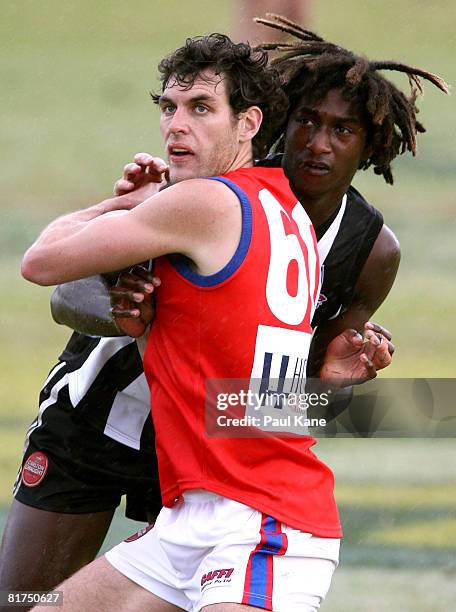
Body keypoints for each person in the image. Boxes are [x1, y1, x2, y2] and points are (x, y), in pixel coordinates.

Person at [22, 27, 448, 611]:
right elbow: (64, 293)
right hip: (105, 419)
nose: (317, 144)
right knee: (19, 597)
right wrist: (127, 295)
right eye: (304, 120)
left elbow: (276, 399)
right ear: (270, 120)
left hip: (212, 459)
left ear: (370, 144)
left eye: (342, 129)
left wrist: (333, 387)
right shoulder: (218, 188)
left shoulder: (366, 248)